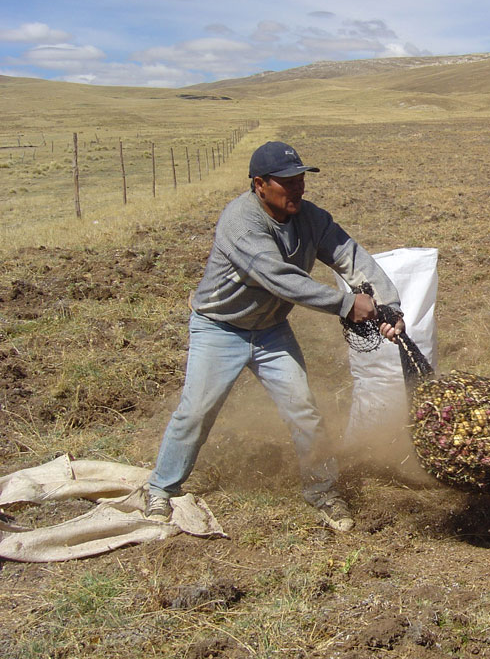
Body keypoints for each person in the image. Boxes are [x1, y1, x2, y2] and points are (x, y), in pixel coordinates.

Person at [146, 141, 405, 532]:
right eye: (286, 182)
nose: (297, 188)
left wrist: (388, 306)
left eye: (300, 179)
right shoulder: (240, 222)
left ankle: (323, 492)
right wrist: (346, 304)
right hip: (220, 327)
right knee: (196, 411)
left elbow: (351, 256)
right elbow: (280, 279)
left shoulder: (309, 218)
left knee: (304, 410)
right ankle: (161, 489)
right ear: (259, 185)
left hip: (270, 332)